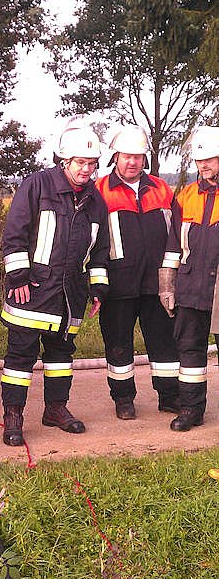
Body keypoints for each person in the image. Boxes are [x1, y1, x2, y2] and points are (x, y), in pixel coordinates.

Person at [0, 125, 109, 446]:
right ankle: (13, 416)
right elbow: (15, 233)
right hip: (32, 290)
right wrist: (18, 275)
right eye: (80, 162)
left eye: (92, 163)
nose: (86, 169)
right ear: (64, 160)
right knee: (20, 357)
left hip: (70, 294)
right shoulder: (37, 185)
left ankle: (56, 409)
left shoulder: (95, 201)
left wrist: (98, 287)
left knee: (61, 356)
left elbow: (100, 251)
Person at [95, 125, 179, 420]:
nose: (132, 162)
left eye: (138, 156)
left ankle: (169, 396)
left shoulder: (161, 188)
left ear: (145, 159)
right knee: (118, 345)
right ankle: (123, 399)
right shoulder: (99, 191)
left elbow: (177, 233)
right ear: (115, 157)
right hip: (117, 284)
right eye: (127, 156)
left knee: (165, 342)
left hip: (157, 283)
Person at [159, 125, 219, 431]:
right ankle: (191, 409)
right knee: (190, 350)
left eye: (209, 159)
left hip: (217, 289)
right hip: (191, 284)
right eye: (199, 160)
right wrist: (167, 286)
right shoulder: (186, 196)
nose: (203, 165)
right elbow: (173, 246)